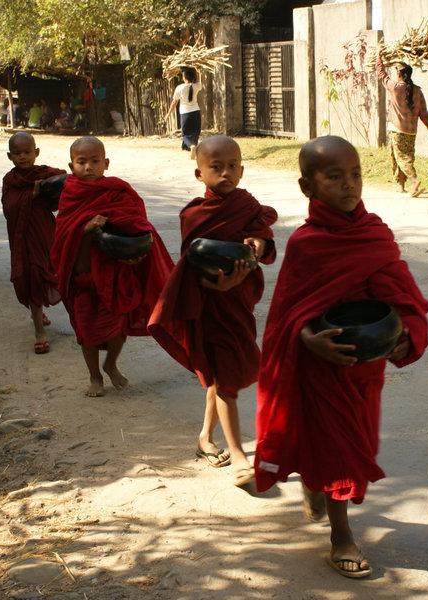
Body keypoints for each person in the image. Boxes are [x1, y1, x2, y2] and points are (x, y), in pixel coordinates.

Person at [254, 136, 428, 578]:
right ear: (307, 186)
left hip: (363, 367)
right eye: (334, 177)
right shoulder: (306, 243)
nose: (349, 185)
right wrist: (308, 339)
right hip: (320, 365)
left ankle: (314, 483)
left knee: (359, 443)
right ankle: (341, 535)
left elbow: (402, 294)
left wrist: (408, 334)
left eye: (355, 175)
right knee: (338, 451)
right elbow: (289, 313)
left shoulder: (374, 233)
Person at [149, 135, 277, 487]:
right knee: (225, 381)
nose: (226, 173)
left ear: (242, 169)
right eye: (216, 167)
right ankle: (238, 456)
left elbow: (264, 243)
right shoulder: (194, 213)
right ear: (199, 174)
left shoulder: (247, 204)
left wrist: (259, 243)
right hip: (208, 302)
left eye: (233, 166)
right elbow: (192, 261)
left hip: (238, 302)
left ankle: (205, 437)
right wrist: (214, 285)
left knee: (220, 374)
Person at [50, 137, 173, 397]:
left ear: (106, 163)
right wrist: (85, 227)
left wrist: (135, 250)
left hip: (112, 273)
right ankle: (95, 376)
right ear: (71, 165)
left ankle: (111, 363)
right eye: (81, 162)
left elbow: (136, 221)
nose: (88, 167)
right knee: (86, 333)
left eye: (95, 161)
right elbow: (62, 234)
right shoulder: (70, 194)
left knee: (119, 326)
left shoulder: (117, 191)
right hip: (81, 277)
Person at [1, 132, 66, 354]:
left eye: (27, 152)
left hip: (44, 233)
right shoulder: (10, 181)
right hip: (21, 237)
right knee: (32, 275)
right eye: (17, 153)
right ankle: (40, 331)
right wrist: (33, 193)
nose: (22, 157)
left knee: (51, 271)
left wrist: (47, 188)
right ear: (9, 156)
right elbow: (9, 209)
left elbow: (64, 183)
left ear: (36, 152)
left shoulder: (45, 173)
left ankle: (43, 313)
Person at [376, 49, 428, 197]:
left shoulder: (395, 87)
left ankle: (414, 181)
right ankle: (401, 186)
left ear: (398, 75)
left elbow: (381, 74)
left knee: (401, 157)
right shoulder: (417, 90)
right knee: (404, 156)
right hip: (411, 131)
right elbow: (423, 112)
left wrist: (379, 57)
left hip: (397, 129)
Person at [164, 67, 202, 159]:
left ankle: (192, 147)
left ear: (184, 77)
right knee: (195, 132)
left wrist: (168, 114)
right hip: (196, 113)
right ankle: (188, 148)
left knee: (185, 134)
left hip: (185, 114)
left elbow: (174, 102)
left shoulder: (180, 88)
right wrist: (199, 70)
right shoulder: (196, 86)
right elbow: (200, 80)